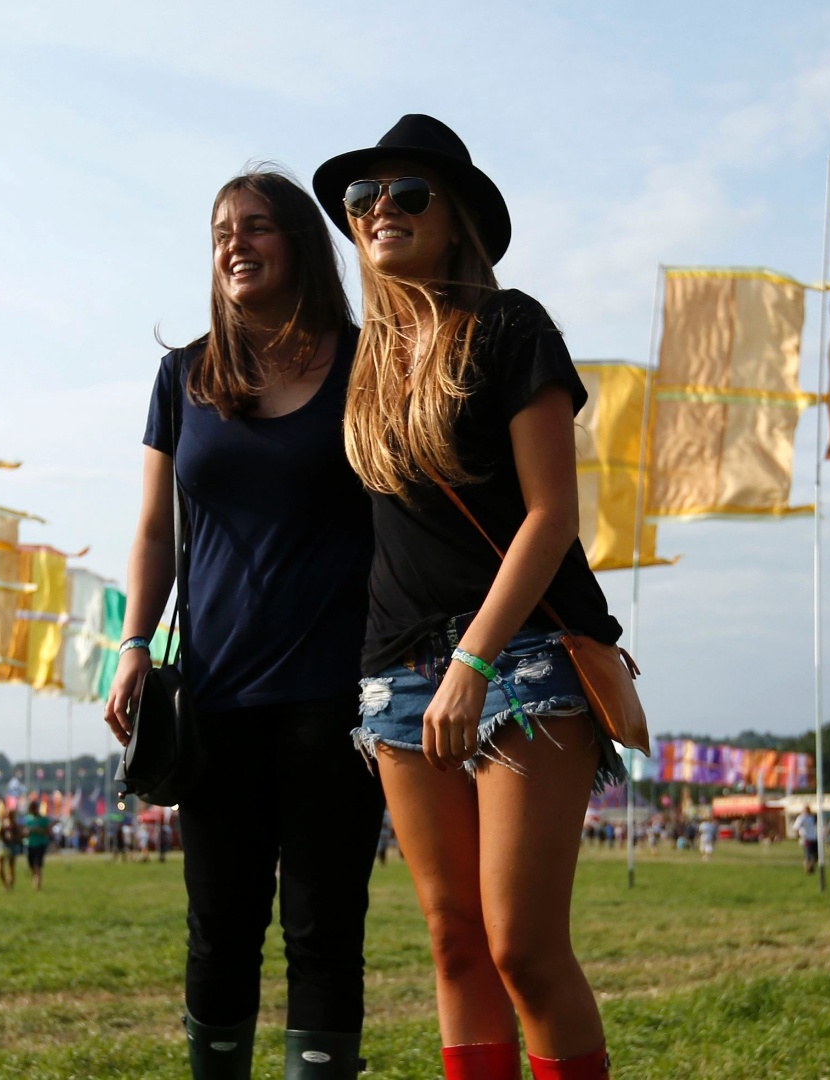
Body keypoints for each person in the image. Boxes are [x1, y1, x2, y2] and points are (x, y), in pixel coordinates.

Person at [317, 115, 621, 1080]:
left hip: (521, 662)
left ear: (457, 221)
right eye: (365, 201)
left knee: (522, 948)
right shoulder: (363, 365)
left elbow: (552, 517)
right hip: (393, 677)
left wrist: (472, 662)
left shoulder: (510, 326)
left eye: (410, 195)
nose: (380, 213)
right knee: (453, 945)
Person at [103, 166, 385, 1080]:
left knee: (324, 931)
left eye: (258, 226)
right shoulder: (182, 376)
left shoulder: (366, 363)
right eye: (222, 229)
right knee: (219, 930)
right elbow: (152, 530)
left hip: (337, 704)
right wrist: (134, 644)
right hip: (214, 703)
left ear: (300, 242)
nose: (235, 242)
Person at [21, 799, 51, 891]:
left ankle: (37, 883)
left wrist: (39, 830)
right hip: (30, 844)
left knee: (37, 864)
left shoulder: (43, 819)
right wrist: (27, 832)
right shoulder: (26, 819)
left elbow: (47, 831)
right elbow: (22, 831)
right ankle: (35, 877)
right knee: (31, 864)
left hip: (40, 844)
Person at [0, 807, 20, 891]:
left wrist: (13, 836)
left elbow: (19, 836)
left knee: (11, 866)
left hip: (12, 846)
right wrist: (1, 826)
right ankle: (4, 883)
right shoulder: (1, 823)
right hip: (2, 846)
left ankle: (10, 885)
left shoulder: (15, 824)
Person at [797, 806, 820, 874]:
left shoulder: (811, 817)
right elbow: (796, 827)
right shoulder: (801, 818)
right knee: (808, 856)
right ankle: (807, 869)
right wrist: (801, 836)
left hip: (813, 838)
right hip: (807, 839)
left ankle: (811, 867)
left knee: (816, 856)